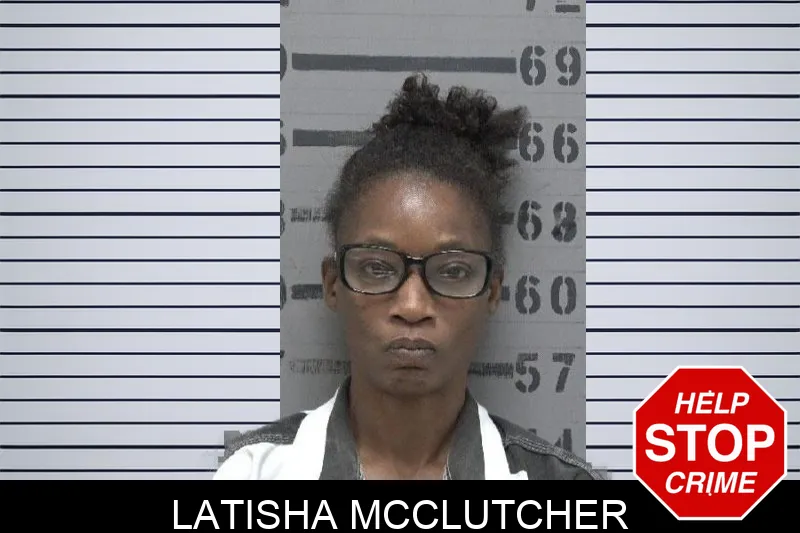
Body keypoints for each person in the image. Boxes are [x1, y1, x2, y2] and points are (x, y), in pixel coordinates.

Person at [215, 73, 603, 480]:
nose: (413, 307)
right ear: (332, 284)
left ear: (492, 291)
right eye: (377, 268)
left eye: (453, 271)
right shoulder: (254, 473)